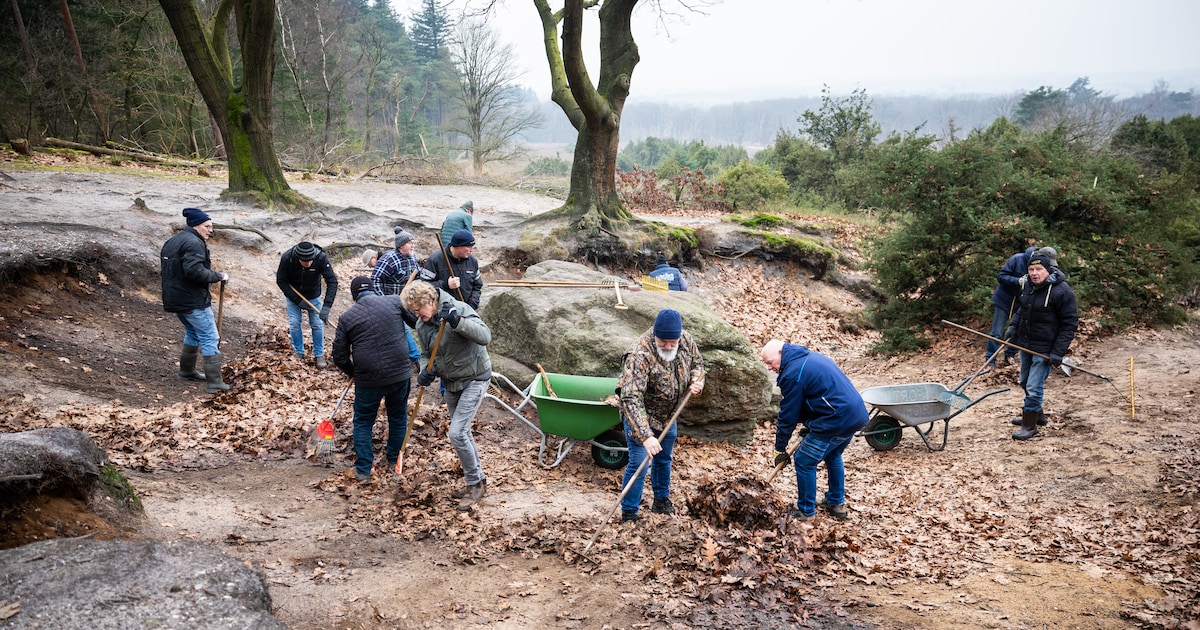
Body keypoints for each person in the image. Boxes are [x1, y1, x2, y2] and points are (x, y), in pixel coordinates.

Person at [401, 280, 493, 510]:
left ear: (431, 302)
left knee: (457, 433)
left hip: (475, 377)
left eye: (418, 309)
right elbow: (425, 353)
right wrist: (425, 371)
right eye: (412, 311)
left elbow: (485, 336)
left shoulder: (458, 309)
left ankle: (475, 485)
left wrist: (458, 322)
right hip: (451, 382)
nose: (416, 314)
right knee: (462, 433)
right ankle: (477, 480)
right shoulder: (423, 325)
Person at [759, 339, 868, 521]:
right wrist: (810, 424)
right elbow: (818, 398)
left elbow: (788, 416)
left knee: (803, 460)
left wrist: (779, 448)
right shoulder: (809, 357)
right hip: (854, 415)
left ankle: (806, 512)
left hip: (836, 420)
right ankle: (836, 503)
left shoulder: (793, 373)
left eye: (770, 363)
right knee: (832, 455)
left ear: (780, 352)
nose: (769, 368)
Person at [616, 309, 705, 523]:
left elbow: (698, 365)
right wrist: (646, 436)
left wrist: (697, 380)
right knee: (639, 463)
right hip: (641, 418)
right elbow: (630, 398)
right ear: (655, 335)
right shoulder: (639, 355)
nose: (667, 346)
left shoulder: (685, 340)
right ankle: (629, 513)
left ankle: (661, 500)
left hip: (669, 416)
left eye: (672, 342)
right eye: (663, 341)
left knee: (664, 459)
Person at [332, 276, 413, 483]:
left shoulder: (346, 318)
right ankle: (395, 458)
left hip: (369, 380)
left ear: (353, 296)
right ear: (374, 289)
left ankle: (363, 469)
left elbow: (339, 357)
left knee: (364, 421)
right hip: (399, 373)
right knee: (398, 416)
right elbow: (416, 321)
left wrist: (353, 372)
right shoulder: (394, 301)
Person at [1005, 247, 1077, 440]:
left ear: (1048, 270)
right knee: (1024, 381)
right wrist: (1013, 325)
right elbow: (1022, 308)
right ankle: (1038, 415)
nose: (1034, 274)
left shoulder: (1062, 291)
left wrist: (1058, 352)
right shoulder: (1028, 286)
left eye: (1039, 270)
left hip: (1046, 348)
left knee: (1034, 386)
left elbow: (1069, 324)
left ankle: (1029, 426)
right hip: (1026, 343)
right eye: (1031, 270)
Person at [160, 207, 230, 394]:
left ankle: (187, 371)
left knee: (192, 332)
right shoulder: (193, 243)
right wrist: (218, 276)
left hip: (175, 298)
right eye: (207, 226)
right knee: (210, 337)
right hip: (192, 300)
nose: (210, 230)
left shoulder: (173, 241)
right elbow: (194, 271)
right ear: (196, 225)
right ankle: (215, 382)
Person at [275, 241, 338, 368]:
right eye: (305, 261)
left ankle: (319, 355)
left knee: (316, 324)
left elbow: (332, 281)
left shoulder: (320, 257)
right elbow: (281, 280)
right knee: (294, 322)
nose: (308, 263)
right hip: (294, 295)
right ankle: (299, 352)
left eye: (310, 260)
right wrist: (297, 300)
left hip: (313, 295)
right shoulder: (288, 258)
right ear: (298, 258)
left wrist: (326, 307)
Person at [370, 227, 423, 367]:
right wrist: (383, 300)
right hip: (391, 304)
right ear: (400, 246)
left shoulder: (412, 259)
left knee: (420, 323)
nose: (413, 245)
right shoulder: (388, 259)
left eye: (413, 242)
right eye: (410, 243)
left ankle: (420, 356)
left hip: (408, 302)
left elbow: (419, 276)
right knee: (403, 328)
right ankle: (417, 359)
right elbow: (375, 280)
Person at [988, 246, 1039, 367]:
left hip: (1021, 304)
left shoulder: (1040, 268)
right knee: (996, 332)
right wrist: (1017, 281)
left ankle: (1009, 355)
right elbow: (1001, 276)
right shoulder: (1016, 259)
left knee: (1018, 332)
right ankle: (990, 361)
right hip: (1003, 301)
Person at [423, 229, 483, 309]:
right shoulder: (435, 260)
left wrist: (472, 305)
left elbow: (477, 286)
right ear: (457, 246)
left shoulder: (472, 261)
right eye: (468, 247)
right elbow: (423, 287)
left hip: (466, 310)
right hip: (441, 310)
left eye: (472, 247)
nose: (471, 250)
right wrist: (445, 285)